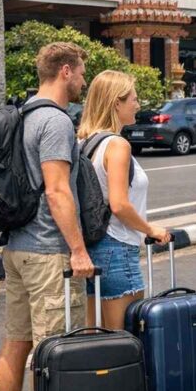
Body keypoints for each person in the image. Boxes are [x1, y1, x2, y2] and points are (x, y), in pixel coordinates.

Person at [0, 42, 95, 391]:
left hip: (17, 247)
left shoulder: (22, 115)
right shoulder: (54, 121)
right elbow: (57, 191)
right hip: (48, 252)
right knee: (54, 349)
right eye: (81, 72)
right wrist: (78, 250)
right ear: (65, 71)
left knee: (15, 342)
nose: (83, 80)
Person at [77, 71, 171, 330]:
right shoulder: (117, 145)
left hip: (94, 246)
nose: (138, 105)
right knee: (124, 339)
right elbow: (119, 204)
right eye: (133, 99)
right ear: (116, 103)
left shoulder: (84, 141)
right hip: (118, 248)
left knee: (94, 333)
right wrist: (151, 229)